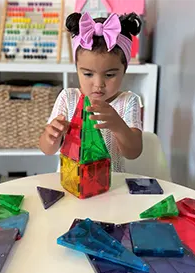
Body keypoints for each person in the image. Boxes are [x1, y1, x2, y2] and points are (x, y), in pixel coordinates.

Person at [39, 11, 143, 172]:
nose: (98, 84)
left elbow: (133, 152)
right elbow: (47, 150)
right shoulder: (68, 98)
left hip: (111, 187)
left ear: (124, 70)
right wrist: (51, 136)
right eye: (88, 74)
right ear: (77, 70)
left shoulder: (128, 101)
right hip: (72, 185)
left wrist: (118, 125)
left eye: (110, 75)